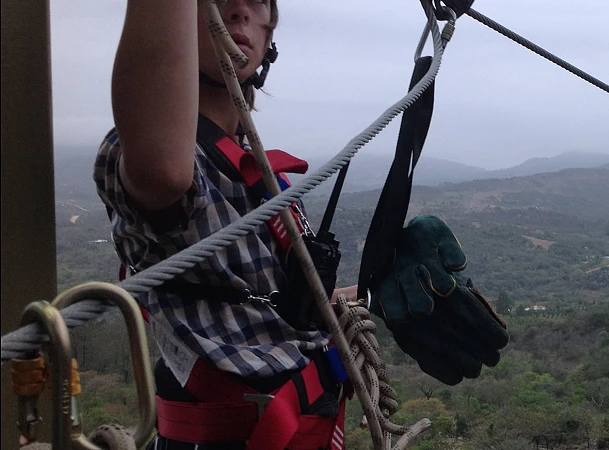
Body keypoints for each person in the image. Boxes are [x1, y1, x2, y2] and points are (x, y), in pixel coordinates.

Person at [96, 1, 508, 448]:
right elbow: (162, 170)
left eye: (257, 3)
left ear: (270, 38)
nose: (237, 10)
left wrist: (374, 291)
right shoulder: (173, 167)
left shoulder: (265, 182)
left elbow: (283, 306)